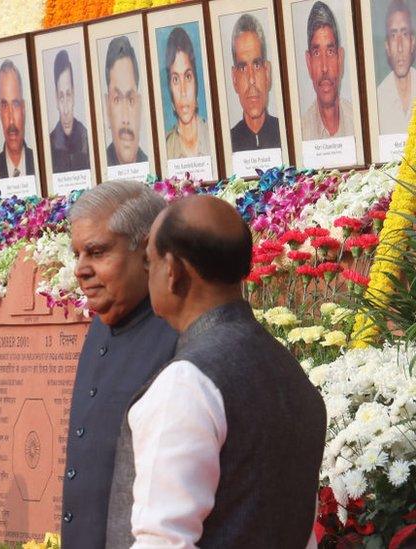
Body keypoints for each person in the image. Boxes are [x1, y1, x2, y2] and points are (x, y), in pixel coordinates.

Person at [105, 196, 326, 547]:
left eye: (150, 263)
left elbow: (163, 540)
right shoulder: (289, 372)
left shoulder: (188, 384)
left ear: (174, 272)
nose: (149, 275)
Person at [60, 181, 178, 548]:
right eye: (78, 253)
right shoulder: (101, 323)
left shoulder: (179, 337)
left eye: (96, 252)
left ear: (147, 252)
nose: (81, 269)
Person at [302, 1, 355, 140]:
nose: (324, 68)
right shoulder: (301, 135)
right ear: (309, 63)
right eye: (317, 53)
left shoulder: (358, 122)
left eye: (330, 52)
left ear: (340, 59)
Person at [230, 13, 282, 151]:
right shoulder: (228, 144)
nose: (251, 79)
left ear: (267, 73)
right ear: (234, 79)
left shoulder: (286, 134)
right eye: (242, 68)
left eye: (257, 65)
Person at [164, 27, 211, 159]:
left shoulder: (215, 137)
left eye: (188, 76)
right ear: (170, 89)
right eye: (175, 79)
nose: (183, 91)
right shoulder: (166, 148)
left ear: (196, 83)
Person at [104, 36, 149, 166]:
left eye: (130, 100)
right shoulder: (100, 170)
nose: (125, 118)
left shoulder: (152, 167)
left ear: (140, 106)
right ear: (107, 108)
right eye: (117, 100)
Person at [377, 0, 416, 136]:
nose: (399, 47)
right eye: (394, 36)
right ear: (387, 46)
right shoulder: (378, 100)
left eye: (404, 34)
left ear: (413, 42)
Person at [48, 49, 91, 173]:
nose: (66, 109)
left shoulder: (86, 138)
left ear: (74, 95)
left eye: (68, 95)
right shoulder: (50, 145)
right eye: (61, 97)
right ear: (56, 99)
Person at [0, 60, 35, 178]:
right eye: (5, 105)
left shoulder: (39, 162)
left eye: (16, 104)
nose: (11, 119)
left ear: (23, 108)